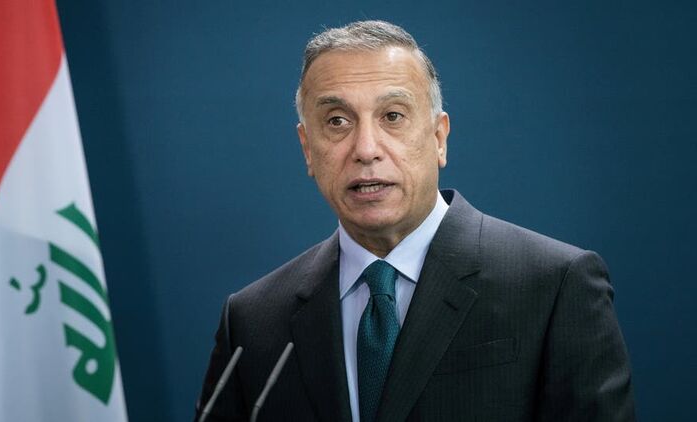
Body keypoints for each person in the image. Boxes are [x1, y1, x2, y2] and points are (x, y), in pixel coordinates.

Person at [195, 20, 635, 422]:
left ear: (439, 138)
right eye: (337, 121)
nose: (366, 149)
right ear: (308, 149)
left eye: (392, 117)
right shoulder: (252, 321)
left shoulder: (554, 286)